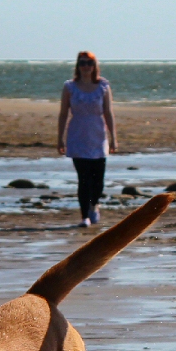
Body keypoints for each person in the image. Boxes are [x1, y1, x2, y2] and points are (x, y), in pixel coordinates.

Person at [57, 51, 117, 227]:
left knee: (98, 181)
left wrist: (114, 137)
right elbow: (63, 113)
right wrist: (60, 138)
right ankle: (85, 216)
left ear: (94, 66)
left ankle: (94, 204)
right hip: (77, 136)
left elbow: (108, 112)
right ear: (78, 66)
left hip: (98, 136)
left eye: (89, 63)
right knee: (83, 180)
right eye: (82, 63)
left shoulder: (103, 86)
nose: (86, 67)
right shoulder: (70, 87)